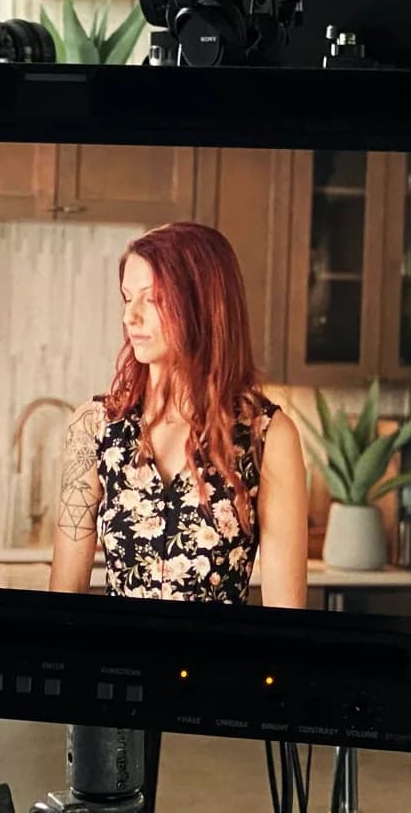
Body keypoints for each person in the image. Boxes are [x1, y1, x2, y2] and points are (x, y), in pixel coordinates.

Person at [48, 223, 308, 606]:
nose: (130, 317)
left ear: (201, 304)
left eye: (151, 300)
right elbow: (64, 604)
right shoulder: (94, 425)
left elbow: (286, 616)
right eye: (126, 298)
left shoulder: (267, 435)